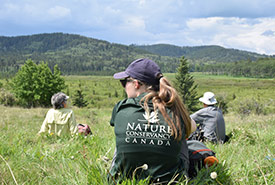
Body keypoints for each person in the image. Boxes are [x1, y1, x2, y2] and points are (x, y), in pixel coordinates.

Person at [109, 58, 196, 183]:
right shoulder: (174, 109)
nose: (124, 87)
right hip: (170, 182)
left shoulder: (121, 107)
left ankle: (120, 174)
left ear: (136, 84)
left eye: (124, 82)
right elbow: (191, 128)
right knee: (179, 135)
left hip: (122, 182)